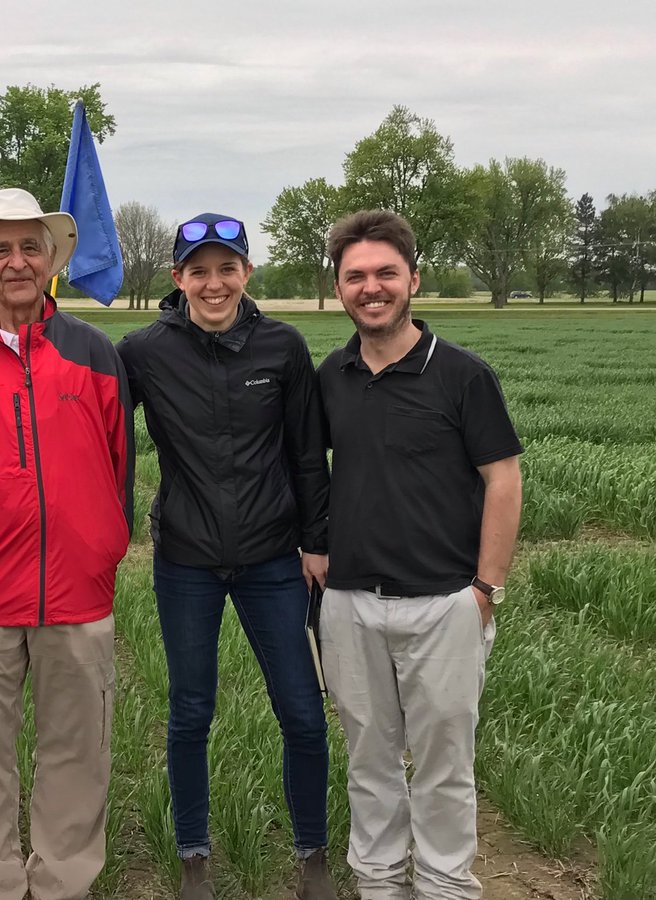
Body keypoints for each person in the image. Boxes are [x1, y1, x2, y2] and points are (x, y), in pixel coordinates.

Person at [115, 214, 336, 900]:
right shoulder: (143, 353)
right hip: (186, 559)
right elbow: (103, 440)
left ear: (246, 272)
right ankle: (193, 859)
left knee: (301, 711)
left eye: (227, 268)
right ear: (177, 279)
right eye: (199, 270)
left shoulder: (283, 347)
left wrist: (318, 544)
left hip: (273, 559)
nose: (215, 283)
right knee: (189, 711)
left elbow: (307, 455)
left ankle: (313, 858)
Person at [0, 188, 133, 900]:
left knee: (79, 752)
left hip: (78, 590)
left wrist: (101, 544)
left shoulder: (96, 354)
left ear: (50, 261)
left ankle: (62, 886)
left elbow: (118, 464)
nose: (17, 262)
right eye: (1, 249)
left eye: (30, 247)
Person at [317, 210, 523, 900]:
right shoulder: (331, 376)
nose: (370, 288)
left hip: (444, 605)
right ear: (339, 287)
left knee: (444, 767)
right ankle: (378, 885)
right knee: (368, 762)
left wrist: (485, 589)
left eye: (385, 273)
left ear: (413, 279)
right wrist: (312, 550)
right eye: (356, 276)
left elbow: (503, 479)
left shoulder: (463, 376)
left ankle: (443, 887)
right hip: (349, 604)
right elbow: (307, 468)